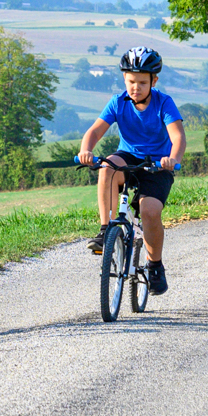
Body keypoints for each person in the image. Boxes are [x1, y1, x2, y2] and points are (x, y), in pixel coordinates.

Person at [77, 47, 186, 295]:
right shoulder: (117, 102)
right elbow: (94, 131)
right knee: (107, 167)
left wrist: (173, 158)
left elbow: (178, 137)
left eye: (142, 82)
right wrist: (86, 150)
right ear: (124, 79)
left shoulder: (164, 103)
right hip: (128, 157)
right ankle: (106, 229)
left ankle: (155, 265)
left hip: (158, 165)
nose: (135, 87)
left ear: (153, 81)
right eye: (130, 81)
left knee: (149, 211)